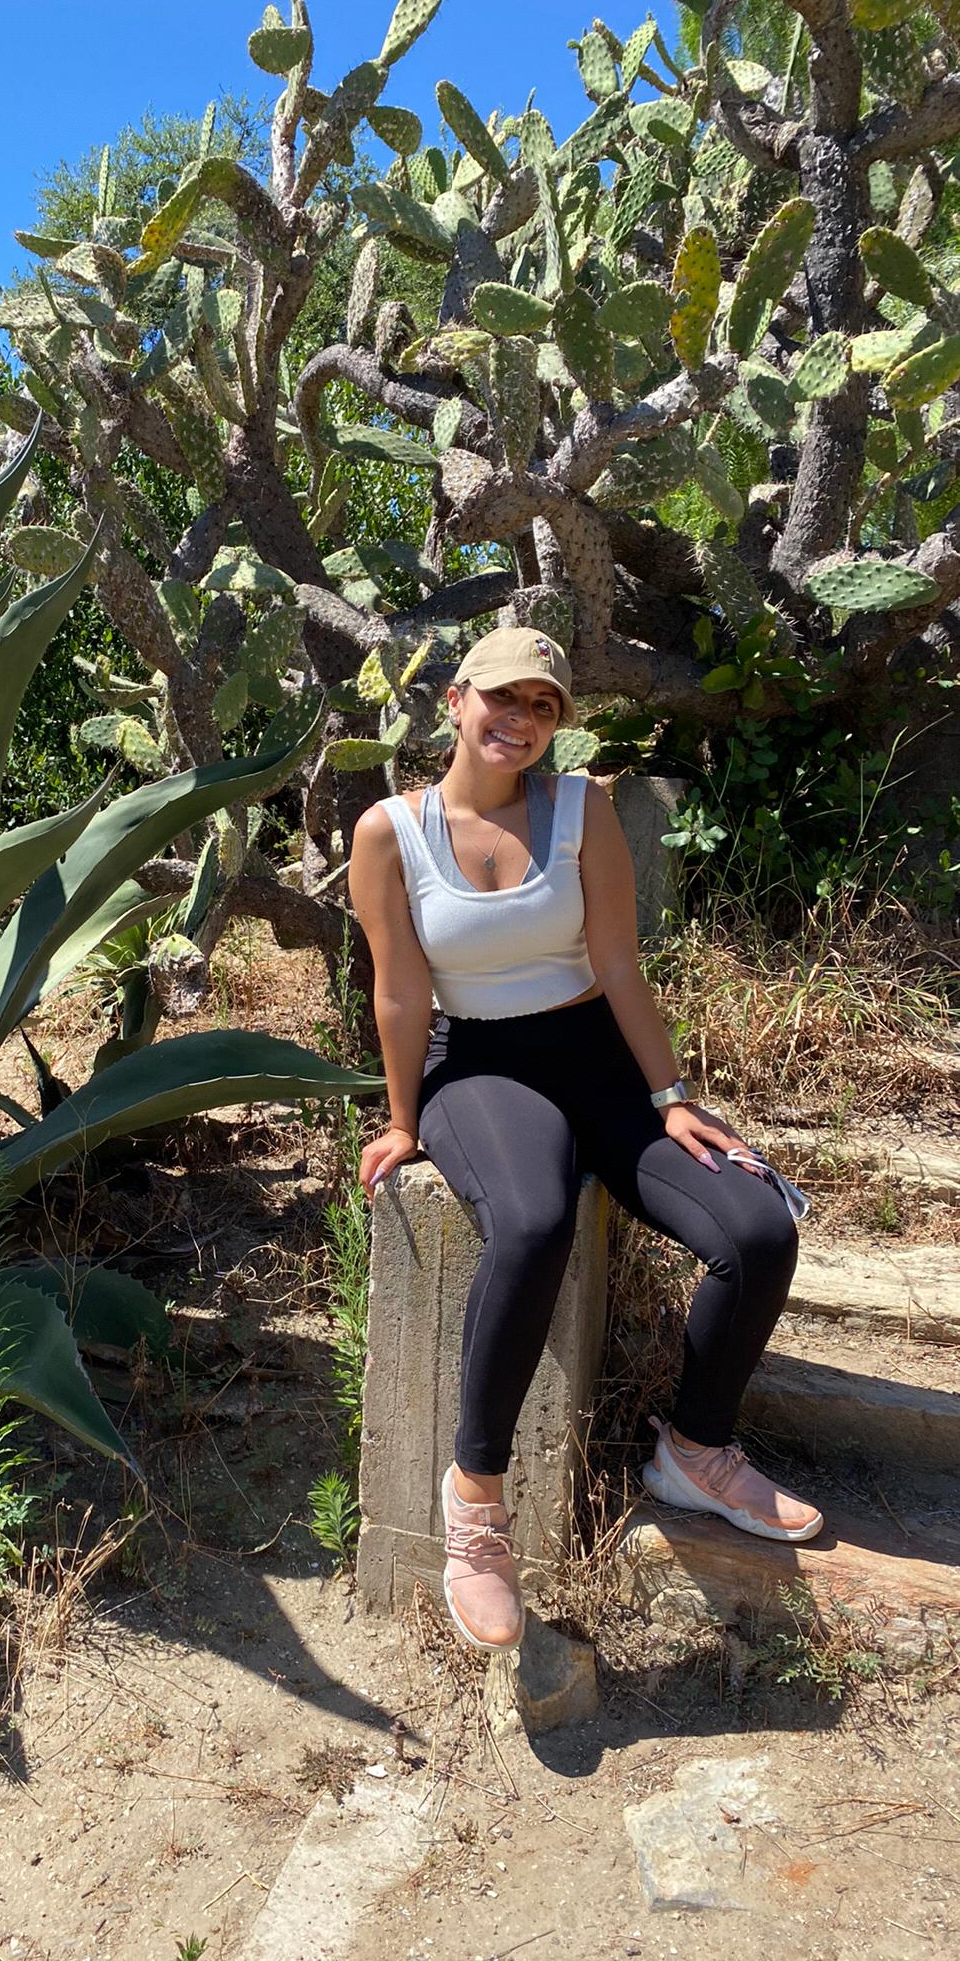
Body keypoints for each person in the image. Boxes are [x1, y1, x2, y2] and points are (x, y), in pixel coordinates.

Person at [346, 623, 820, 1655]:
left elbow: (615, 962)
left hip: (595, 1057)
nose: (519, 721)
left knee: (755, 1222)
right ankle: (476, 1497)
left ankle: (694, 1447)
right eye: (501, 698)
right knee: (531, 1218)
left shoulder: (583, 809)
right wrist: (401, 1118)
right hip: (476, 1064)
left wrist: (672, 1093)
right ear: (456, 698)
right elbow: (399, 989)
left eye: (543, 707)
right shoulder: (392, 830)